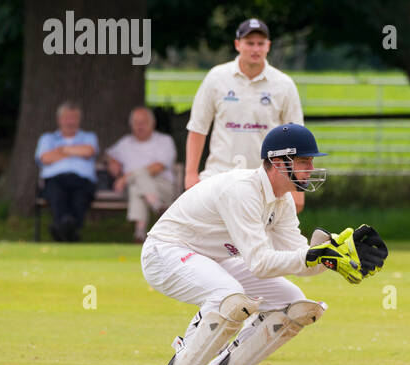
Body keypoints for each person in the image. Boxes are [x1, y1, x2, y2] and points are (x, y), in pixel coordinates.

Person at [141, 123, 388, 365]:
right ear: (278, 162)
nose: (310, 168)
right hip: (166, 252)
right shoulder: (242, 191)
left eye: (311, 161)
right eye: (304, 161)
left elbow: (299, 257)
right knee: (229, 297)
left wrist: (334, 258)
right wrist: (313, 255)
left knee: (295, 305)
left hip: (213, 258)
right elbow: (260, 262)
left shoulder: (280, 202)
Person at [184, 17, 308, 213]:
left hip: (266, 179)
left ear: (268, 46)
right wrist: (191, 174)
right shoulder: (217, 77)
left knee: (261, 241)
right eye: (250, 43)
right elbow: (198, 128)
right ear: (237, 44)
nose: (255, 49)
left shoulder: (283, 84)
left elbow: (296, 139)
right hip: (219, 174)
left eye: (260, 43)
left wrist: (297, 186)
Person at [106, 106, 178, 242]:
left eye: (143, 122)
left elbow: (158, 167)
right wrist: (112, 162)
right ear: (131, 125)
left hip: (162, 186)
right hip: (142, 190)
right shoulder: (125, 143)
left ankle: (139, 234)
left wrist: (125, 178)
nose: (140, 126)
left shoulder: (164, 141)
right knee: (136, 185)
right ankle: (157, 207)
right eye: (136, 123)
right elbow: (108, 155)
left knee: (138, 179)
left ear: (152, 123)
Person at [35, 101, 100, 243]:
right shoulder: (48, 138)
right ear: (59, 120)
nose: (70, 122)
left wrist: (62, 150)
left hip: (82, 181)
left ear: (79, 120)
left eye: (73, 118)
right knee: (57, 195)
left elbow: (88, 151)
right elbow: (45, 157)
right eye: (66, 118)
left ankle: (61, 228)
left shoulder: (89, 137)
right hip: (55, 180)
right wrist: (76, 151)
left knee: (80, 197)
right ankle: (68, 229)